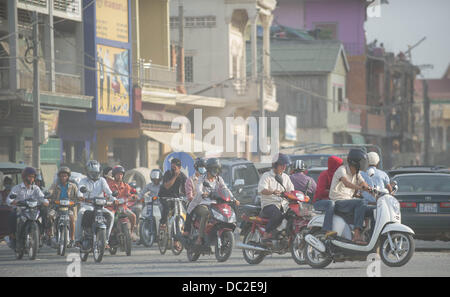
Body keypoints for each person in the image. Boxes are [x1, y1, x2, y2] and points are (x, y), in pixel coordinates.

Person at [187, 158, 238, 246]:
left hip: (215, 203)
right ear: (209, 169)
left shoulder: (219, 179)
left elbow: (225, 188)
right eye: (214, 168)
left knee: (227, 210)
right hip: (202, 203)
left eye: (217, 169)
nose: (216, 171)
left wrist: (234, 198)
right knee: (206, 214)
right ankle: (200, 238)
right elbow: (198, 188)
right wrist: (202, 193)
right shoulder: (202, 178)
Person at [328, 149, 371, 244]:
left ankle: (368, 235)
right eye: (362, 162)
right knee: (361, 202)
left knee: (372, 209)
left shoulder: (357, 173)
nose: (363, 164)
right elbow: (346, 183)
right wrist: (361, 188)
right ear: (355, 162)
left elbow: (363, 182)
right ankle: (356, 235)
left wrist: (370, 189)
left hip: (348, 201)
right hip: (338, 202)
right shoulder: (342, 169)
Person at [75, 160, 116, 248]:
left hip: (100, 206)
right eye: (92, 172)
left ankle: (106, 240)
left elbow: (108, 192)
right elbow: (80, 190)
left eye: (96, 172)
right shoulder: (83, 180)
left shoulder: (102, 180)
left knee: (111, 215)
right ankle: (78, 239)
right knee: (80, 213)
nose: (94, 174)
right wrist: (80, 196)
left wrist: (114, 199)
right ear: (87, 172)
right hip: (87, 205)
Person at [6, 167, 49, 250]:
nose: (31, 179)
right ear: (24, 177)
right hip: (20, 210)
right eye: (29, 176)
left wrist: (45, 201)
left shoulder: (36, 188)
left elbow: (42, 197)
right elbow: (9, 199)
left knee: (44, 213)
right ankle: (13, 237)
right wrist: (13, 202)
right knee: (12, 215)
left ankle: (42, 234)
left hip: (33, 210)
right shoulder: (17, 188)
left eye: (33, 177)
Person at [258, 153, 294, 244]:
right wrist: (272, 191)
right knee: (277, 214)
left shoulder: (286, 177)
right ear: (275, 165)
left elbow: (292, 190)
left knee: (294, 215)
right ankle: (266, 234)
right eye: (282, 165)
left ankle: (286, 235)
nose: (284, 167)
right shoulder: (267, 176)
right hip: (269, 204)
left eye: (285, 165)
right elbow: (262, 190)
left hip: (284, 205)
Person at [312, 156, 343, 238]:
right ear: (334, 165)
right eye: (339, 165)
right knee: (330, 204)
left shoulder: (340, 176)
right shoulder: (324, 175)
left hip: (336, 200)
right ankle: (327, 229)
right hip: (320, 202)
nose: (341, 168)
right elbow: (320, 192)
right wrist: (334, 192)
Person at [47, 166, 78, 246]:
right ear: (59, 176)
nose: (63, 177)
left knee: (72, 219)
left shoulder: (73, 186)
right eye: (61, 175)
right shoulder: (55, 185)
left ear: (68, 176)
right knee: (50, 216)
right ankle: (51, 235)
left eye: (65, 175)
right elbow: (50, 191)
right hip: (56, 207)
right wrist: (48, 196)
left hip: (69, 208)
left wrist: (78, 200)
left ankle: (72, 238)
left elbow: (78, 196)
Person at [107, 165, 137, 238]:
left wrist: (133, 196)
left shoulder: (126, 185)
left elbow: (131, 194)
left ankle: (131, 233)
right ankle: (108, 235)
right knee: (110, 218)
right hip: (112, 207)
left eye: (121, 174)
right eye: (118, 174)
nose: (120, 176)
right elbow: (106, 194)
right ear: (114, 175)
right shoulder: (109, 185)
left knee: (133, 216)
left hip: (122, 207)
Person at [158, 158, 187, 230]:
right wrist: (175, 176)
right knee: (166, 208)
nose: (173, 169)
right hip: (164, 197)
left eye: (175, 168)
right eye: (172, 167)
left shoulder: (182, 176)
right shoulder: (168, 173)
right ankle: (163, 223)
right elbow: (167, 186)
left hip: (175, 198)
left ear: (179, 168)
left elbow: (186, 188)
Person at [183, 158, 206, 236]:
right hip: (194, 203)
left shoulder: (207, 179)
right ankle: (187, 230)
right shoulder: (190, 180)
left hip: (207, 203)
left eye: (204, 167)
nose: (203, 168)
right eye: (201, 166)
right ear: (196, 167)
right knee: (189, 212)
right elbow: (190, 196)